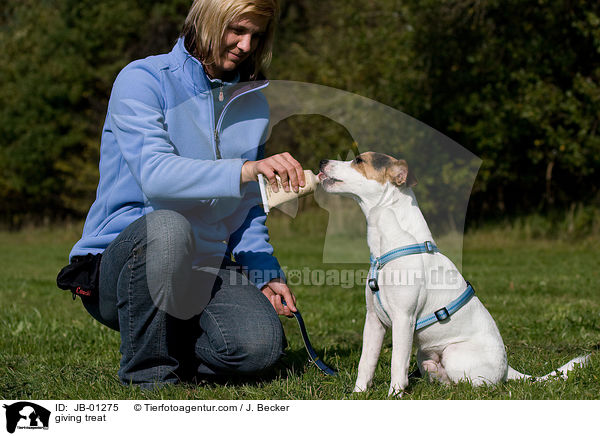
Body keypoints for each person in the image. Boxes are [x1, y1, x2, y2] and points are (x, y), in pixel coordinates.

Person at [66, 0, 305, 389]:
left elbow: (247, 204)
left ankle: (174, 347)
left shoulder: (253, 103)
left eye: (256, 35)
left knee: (260, 348)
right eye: (237, 30)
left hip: (204, 264)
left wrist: (264, 270)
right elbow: (155, 176)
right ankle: (149, 377)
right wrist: (244, 170)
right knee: (168, 228)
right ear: (208, 21)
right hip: (125, 264)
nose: (246, 45)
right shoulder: (143, 79)